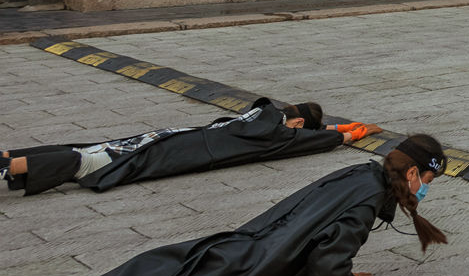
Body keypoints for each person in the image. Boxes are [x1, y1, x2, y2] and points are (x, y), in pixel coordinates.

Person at [23, 134, 447, 276]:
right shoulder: (366, 201)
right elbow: (327, 254)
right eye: (427, 179)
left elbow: (319, 231)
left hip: (231, 250)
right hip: (238, 275)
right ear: (412, 173)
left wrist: (343, 272)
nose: (425, 188)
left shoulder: (361, 175)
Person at [4, 100, 370, 197]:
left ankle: (8, 159)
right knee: (84, 162)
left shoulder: (257, 116)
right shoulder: (272, 133)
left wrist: (336, 128)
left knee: (93, 151)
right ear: (299, 125)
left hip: (162, 138)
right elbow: (299, 141)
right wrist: (346, 136)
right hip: (163, 153)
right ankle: (6, 167)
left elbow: (300, 131)